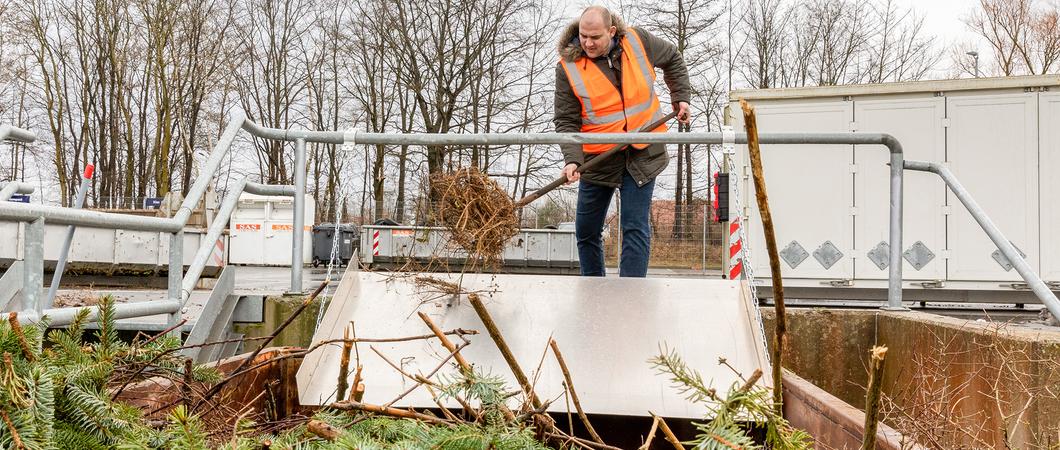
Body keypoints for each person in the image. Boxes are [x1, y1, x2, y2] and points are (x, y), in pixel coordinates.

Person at [553, 6, 691, 277]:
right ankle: (594, 293)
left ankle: (631, 300)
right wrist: (572, 159)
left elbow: (673, 57)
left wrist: (681, 96)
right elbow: (566, 120)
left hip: (643, 152)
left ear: (612, 31)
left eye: (595, 37)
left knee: (634, 226)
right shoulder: (568, 68)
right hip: (598, 158)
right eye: (583, 36)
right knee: (586, 230)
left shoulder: (639, 42)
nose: (588, 43)